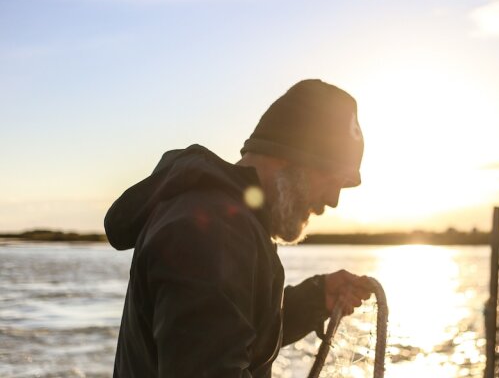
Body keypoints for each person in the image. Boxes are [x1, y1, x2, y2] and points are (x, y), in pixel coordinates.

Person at [105, 79, 373, 377]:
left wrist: (314, 298)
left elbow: (228, 337)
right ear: (291, 152)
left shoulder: (226, 221)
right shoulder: (209, 230)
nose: (333, 201)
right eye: (332, 179)